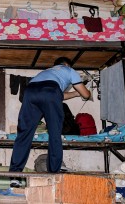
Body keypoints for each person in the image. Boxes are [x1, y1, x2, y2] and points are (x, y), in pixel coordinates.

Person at [9, 57, 90, 187]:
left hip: (31, 91)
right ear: (67, 65)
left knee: (24, 133)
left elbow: (60, 95)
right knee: (54, 134)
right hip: (51, 91)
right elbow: (86, 95)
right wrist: (86, 92)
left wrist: (74, 94)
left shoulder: (46, 72)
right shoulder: (69, 70)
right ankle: (53, 173)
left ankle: (14, 175)